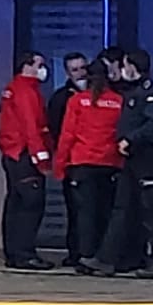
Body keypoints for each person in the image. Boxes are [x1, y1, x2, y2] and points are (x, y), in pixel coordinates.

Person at [96, 47, 153, 280]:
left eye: (125, 65)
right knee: (121, 208)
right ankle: (107, 259)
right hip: (130, 159)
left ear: (133, 67)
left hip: (147, 159)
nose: (122, 69)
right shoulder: (133, 92)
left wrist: (130, 139)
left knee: (151, 212)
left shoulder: (151, 92)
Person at [56, 59, 125, 276]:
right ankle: (102, 256)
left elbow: (67, 135)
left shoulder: (77, 101)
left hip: (82, 163)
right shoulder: (118, 101)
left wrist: (60, 165)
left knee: (84, 214)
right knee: (105, 212)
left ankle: (84, 256)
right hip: (109, 164)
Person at [0, 51, 53, 271]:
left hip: (12, 154)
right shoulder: (27, 91)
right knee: (31, 205)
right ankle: (26, 254)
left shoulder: (13, 88)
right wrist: (42, 159)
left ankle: (14, 253)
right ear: (27, 66)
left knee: (15, 204)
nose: (43, 69)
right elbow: (31, 127)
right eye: (40, 64)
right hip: (24, 154)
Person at [46, 53, 91, 267]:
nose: (81, 73)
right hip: (72, 160)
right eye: (75, 69)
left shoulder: (99, 93)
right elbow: (56, 129)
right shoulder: (61, 98)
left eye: (83, 68)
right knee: (74, 210)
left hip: (94, 159)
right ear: (67, 73)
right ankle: (75, 251)